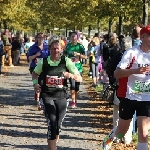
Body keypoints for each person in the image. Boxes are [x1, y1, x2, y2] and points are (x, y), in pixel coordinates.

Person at [32, 36, 82, 150]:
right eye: (53, 49)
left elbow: (80, 78)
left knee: (58, 124)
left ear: (61, 49)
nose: (56, 51)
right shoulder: (44, 62)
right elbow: (35, 74)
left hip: (62, 96)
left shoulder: (66, 61)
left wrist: (71, 75)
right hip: (47, 95)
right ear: (49, 49)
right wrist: (35, 84)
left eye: (58, 48)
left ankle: (55, 136)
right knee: (52, 122)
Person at [112, 25, 150, 150]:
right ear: (143, 37)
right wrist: (135, 70)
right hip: (130, 96)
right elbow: (116, 73)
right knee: (122, 131)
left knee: (144, 133)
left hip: (146, 98)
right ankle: (112, 138)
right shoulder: (132, 52)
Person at [64, 31, 86, 108]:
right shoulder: (68, 46)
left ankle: (75, 99)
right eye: (72, 36)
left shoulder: (80, 46)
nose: (73, 38)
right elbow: (64, 56)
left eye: (75, 36)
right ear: (70, 38)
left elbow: (85, 57)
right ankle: (73, 101)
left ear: (77, 38)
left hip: (78, 68)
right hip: (70, 68)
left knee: (77, 86)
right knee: (72, 84)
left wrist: (79, 54)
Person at [27, 32, 49, 110]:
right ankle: (38, 98)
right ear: (36, 38)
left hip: (44, 68)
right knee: (37, 82)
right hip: (34, 67)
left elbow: (50, 57)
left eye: (42, 37)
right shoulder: (33, 47)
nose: (41, 39)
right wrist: (36, 55)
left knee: (43, 82)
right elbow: (29, 58)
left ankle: (40, 96)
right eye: (39, 37)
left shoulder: (47, 47)